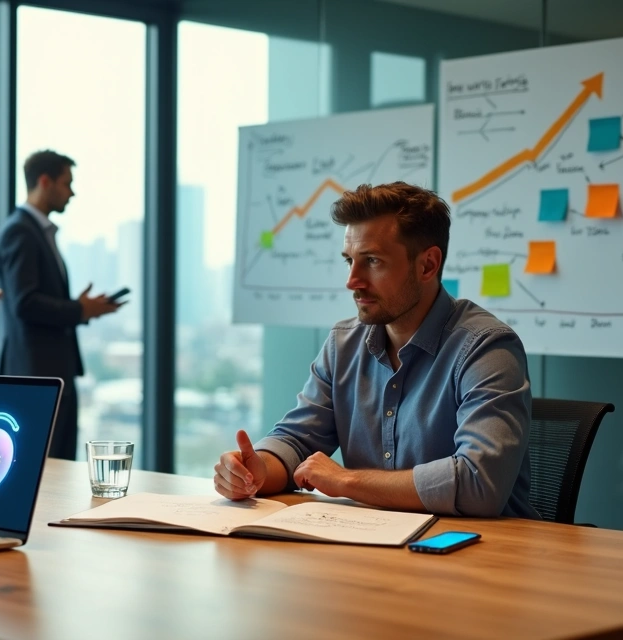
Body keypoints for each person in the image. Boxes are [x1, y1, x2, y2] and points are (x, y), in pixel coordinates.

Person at [213, 182, 538, 519]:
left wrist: (347, 481)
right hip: (375, 548)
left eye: (372, 261)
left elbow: (478, 485)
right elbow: (296, 441)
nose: (352, 280)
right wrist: (256, 471)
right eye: (349, 261)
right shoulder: (343, 345)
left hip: (483, 554)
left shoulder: (486, 347)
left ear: (427, 265)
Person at [0, 150, 121, 460]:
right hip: (35, 372)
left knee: (57, 464)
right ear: (45, 181)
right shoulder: (20, 232)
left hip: (50, 369)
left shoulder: (35, 231)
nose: (72, 192)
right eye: (67, 183)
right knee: (43, 465)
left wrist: (79, 307)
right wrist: (79, 310)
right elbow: (25, 304)